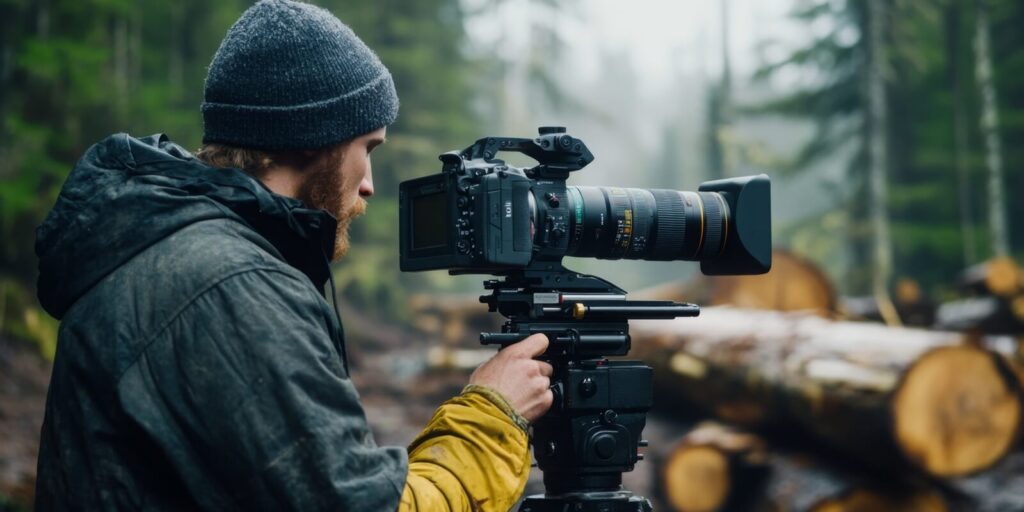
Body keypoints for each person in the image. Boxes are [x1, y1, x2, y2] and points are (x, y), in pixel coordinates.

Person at [33, 1, 553, 510]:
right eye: (367, 149)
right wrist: (491, 413)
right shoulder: (232, 288)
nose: (368, 185)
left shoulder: (175, 253)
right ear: (314, 138)